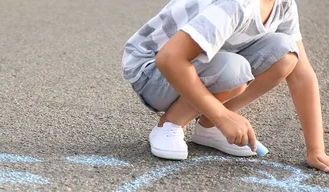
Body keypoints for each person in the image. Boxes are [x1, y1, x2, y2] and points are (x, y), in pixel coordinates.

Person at [122, 0, 329, 172]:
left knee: (286, 52)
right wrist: (223, 116)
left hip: (198, 64)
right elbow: (168, 59)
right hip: (150, 71)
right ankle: (170, 124)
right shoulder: (237, 4)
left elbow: (302, 75)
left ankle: (208, 127)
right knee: (233, 70)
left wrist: (316, 150)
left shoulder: (283, 4)